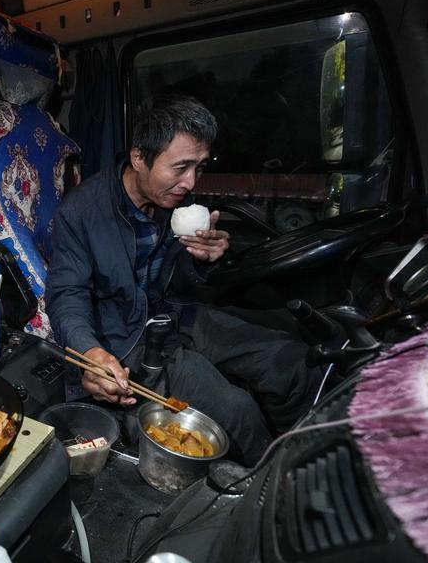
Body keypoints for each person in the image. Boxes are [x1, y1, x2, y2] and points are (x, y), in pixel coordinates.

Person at [45, 94, 321, 466]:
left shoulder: (171, 201)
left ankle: (303, 448)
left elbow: (181, 281)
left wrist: (203, 260)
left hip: (178, 315)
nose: (191, 182)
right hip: (126, 339)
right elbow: (66, 295)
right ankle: (269, 485)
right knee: (236, 411)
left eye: (201, 167)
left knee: (292, 360)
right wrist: (88, 354)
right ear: (139, 157)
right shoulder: (81, 212)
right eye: (181, 167)